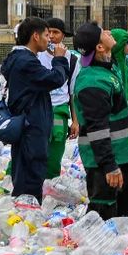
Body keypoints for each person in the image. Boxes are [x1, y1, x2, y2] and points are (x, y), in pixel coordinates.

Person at [71, 23, 128, 220]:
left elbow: (121, 103)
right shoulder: (93, 81)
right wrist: (109, 166)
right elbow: (97, 128)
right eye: (103, 32)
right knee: (105, 212)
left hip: (122, 153)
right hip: (105, 161)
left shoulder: (106, 71)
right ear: (99, 47)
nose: (109, 31)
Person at [0, 18, 72, 207]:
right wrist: (59, 59)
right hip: (32, 125)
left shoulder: (18, 58)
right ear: (35, 36)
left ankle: (23, 207)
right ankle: (27, 210)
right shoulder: (26, 61)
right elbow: (55, 79)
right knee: (32, 171)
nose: (49, 40)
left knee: (23, 168)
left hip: (26, 122)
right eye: (47, 35)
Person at [42, 18, 78, 181]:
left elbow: (72, 93)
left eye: (56, 32)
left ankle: (49, 184)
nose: (51, 36)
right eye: (48, 32)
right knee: (32, 149)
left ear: (63, 36)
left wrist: (75, 121)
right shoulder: (36, 55)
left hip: (59, 111)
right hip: (39, 109)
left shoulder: (71, 59)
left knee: (55, 152)